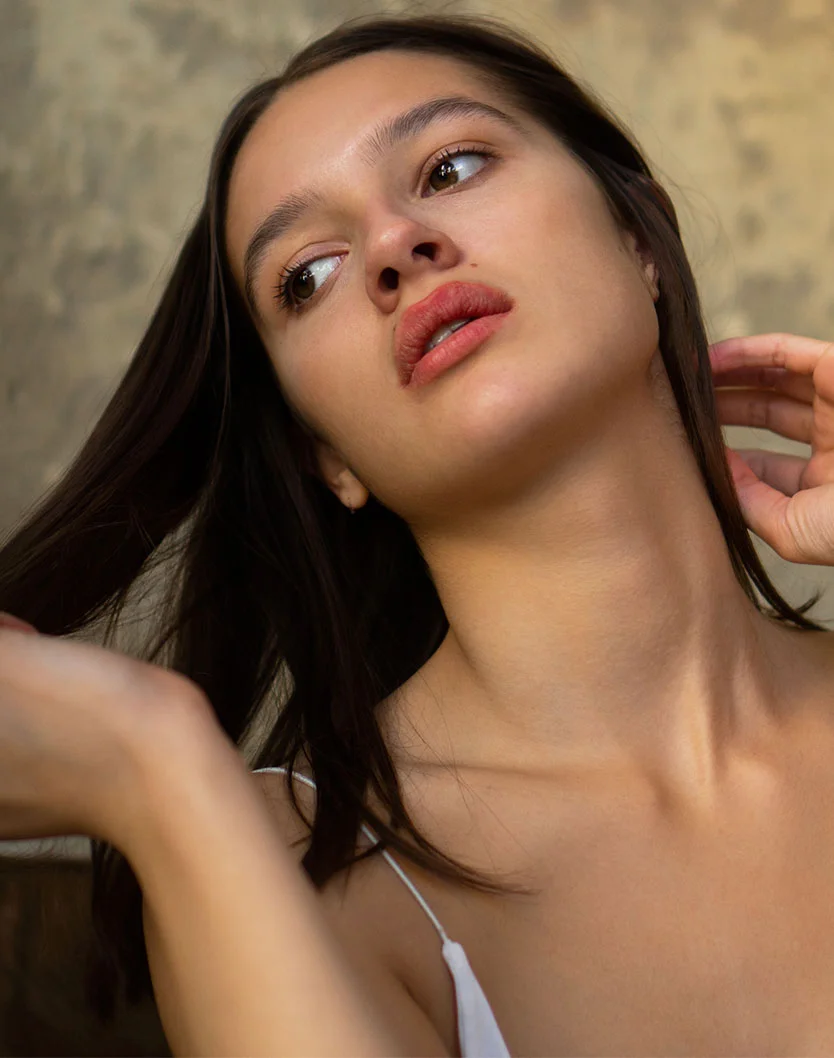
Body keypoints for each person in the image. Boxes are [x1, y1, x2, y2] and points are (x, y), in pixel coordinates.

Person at [1, 12, 834, 1056]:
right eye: (307, 274)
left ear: (640, 238)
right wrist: (149, 759)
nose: (396, 246)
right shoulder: (303, 863)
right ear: (327, 456)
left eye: (450, 166)